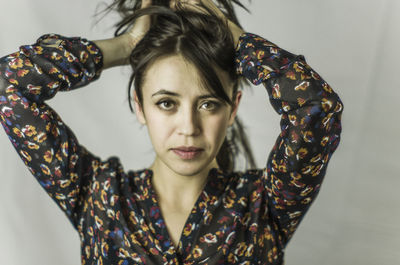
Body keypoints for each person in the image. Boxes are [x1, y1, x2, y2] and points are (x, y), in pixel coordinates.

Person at [0, 0, 343, 264]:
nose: (189, 128)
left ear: (233, 107)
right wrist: (125, 46)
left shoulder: (265, 206)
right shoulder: (98, 195)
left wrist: (234, 38)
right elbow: (9, 86)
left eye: (208, 104)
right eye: (167, 103)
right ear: (139, 105)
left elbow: (316, 108)